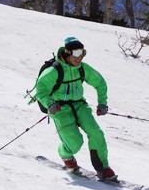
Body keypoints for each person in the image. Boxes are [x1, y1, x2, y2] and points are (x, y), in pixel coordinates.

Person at [34, 37, 116, 181]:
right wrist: (50, 104)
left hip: (79, 105)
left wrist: (102, 103)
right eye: (77, 53)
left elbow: (100, 83)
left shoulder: (82, 68)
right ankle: (65, 153)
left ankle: (103, 168)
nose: (80, 57)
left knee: (96, 133)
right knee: (75, 143)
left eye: (83, 53)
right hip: (59, 109)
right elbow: (41, 91)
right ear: (67, 53)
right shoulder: (54, 71)